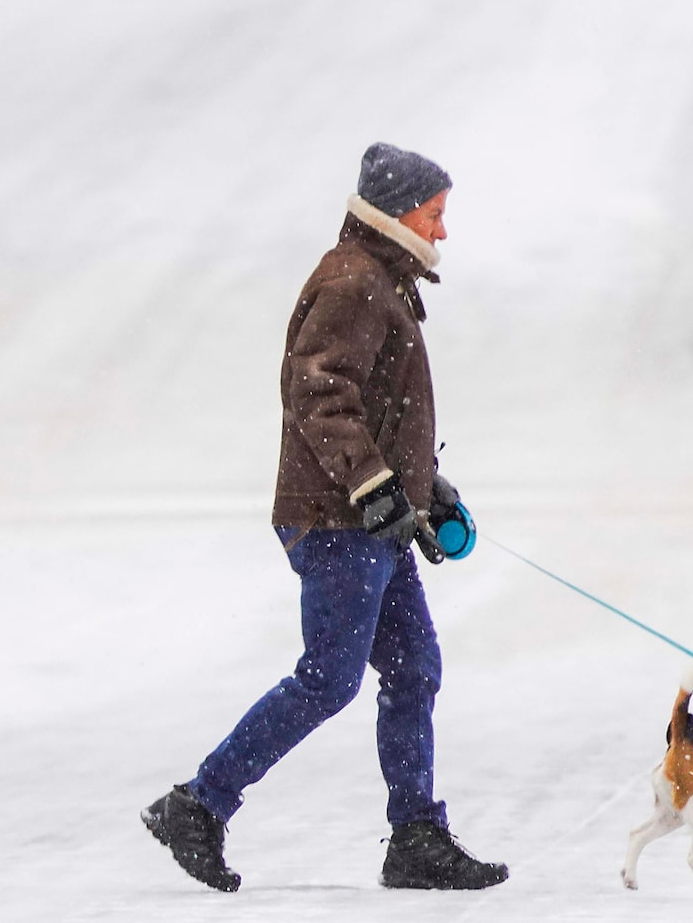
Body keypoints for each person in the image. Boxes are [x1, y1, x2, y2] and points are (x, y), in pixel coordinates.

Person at [142, 144, 508, 893]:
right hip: (337, 519)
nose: (442, 232)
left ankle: (414, 838)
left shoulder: (379, 280)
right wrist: (375, 487)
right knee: (328, 680)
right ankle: (199, 805)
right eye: (434, 215)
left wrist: (422, 486)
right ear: (398, 210)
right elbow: (319, 392)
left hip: (365, 517)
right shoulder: (353, 283)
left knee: (413, 671)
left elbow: (378, 407)